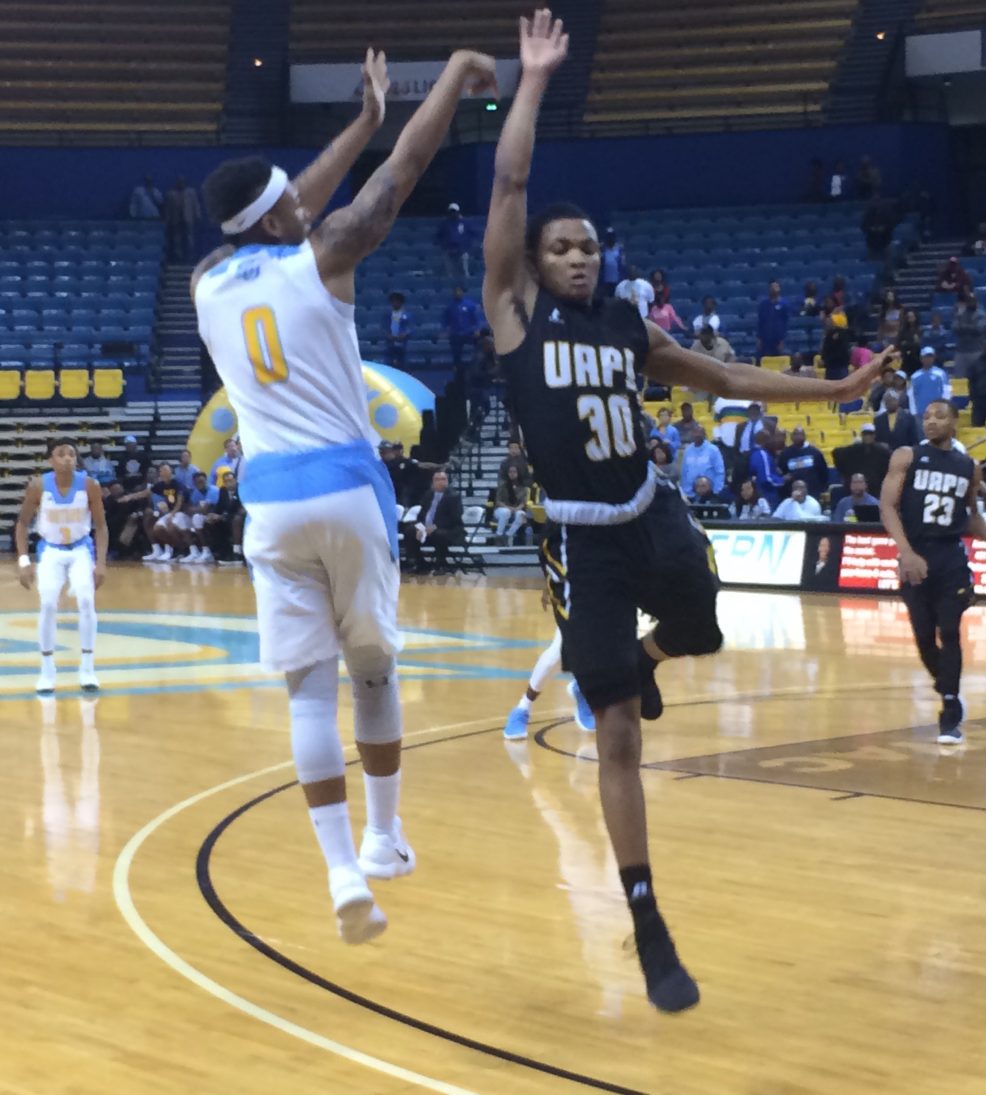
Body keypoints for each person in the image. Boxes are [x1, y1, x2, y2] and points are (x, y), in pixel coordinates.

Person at [480, 7, 890, 1016]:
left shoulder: (626, 325)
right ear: (533, 265)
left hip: (651, 510)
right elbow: (509, 185)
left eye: (589, 246)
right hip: (584, 538)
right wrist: (530, 81)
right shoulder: (513, 318)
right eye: (562, 247)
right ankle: (647, 916)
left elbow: (724, 374)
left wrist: (831, 393)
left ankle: (654, 663)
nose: (579, 256)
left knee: (702, 630)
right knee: (616, 732)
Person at [192, 46, 498, 943]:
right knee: (373, 672)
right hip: (349, 488)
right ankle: (384, 837)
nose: (306, 201)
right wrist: (441, 82)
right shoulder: (325, 258)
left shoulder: (209, 281)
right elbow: (397, 179)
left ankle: (336, 874)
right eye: (294, 199)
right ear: (284, 216)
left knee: (304, 695)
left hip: (270, 504)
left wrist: (357, 121)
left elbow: (287, 205)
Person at [881, 402, 986, 744]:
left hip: (950, 557)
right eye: (926, 417)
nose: (931, 422)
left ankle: (950, 709)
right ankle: (947, 682)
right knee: (924, 637)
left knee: (950, 631)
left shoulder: (969, 466)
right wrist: (905, 552)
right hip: (916, 556)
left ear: (955, 422)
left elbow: (970, 516)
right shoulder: (906, 456)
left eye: (939, 416)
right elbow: (887, 507)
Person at [14, 439, 107, 695]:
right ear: (51, 460)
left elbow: (101, 525)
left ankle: (87, 668)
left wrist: (100, 563)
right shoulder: (38, 486)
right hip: (51, 550)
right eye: (61, 454)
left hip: (80, 548)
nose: (67, 458)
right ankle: (47, 670)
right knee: (47, 604)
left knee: (87, 601)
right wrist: (24, 561)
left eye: (72, 454)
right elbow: (22, 524)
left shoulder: (90, 485)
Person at [503, 525, 596, 740]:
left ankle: (581, 687)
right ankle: (522, 708)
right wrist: (549, 585)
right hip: (572, 588)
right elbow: (546, 550)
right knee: (559, 650)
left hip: (604, 587)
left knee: (599, 647)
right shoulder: (561, 522)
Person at [403, 469, 465, 571]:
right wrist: (420, 528)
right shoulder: (428, 495)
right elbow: (421, 516)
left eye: (443, 479)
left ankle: (441, 563)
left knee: (438, 533)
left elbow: (454, 518)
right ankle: (419, 562)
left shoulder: (454, 496)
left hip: (450, 530)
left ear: (447, 481)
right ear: (433, 482)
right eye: (437, 479)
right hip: (427, 528)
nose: (440, 482)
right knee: (410, 531)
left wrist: (434, 526)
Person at [833, 424, 891, 497]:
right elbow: (836, 453)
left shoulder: (883, 451)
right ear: (862, 435)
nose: (868, 436)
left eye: (870, 434)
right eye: (865, 434)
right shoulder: (853, 449)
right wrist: (846, 475)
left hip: (876, 489)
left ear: (874, 435)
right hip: (857, 489)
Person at [777, 426, 829, 497]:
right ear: (791, 437)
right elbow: (781, 471)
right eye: (795, 434)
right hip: (791, 492)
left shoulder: (814, 452)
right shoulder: (785, 453)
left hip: (812, 491)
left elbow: (823, 471)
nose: (798, 437)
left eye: (800, 434)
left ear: (805, 437)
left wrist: (821, 487)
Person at [441, 285, 484, 367]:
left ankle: (477, 367)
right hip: (455, 334)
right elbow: (445, 321)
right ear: (453, 293)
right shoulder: (449, 307)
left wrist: (477, 329)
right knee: (456, 355)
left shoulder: (470, 305)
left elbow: (476, 319)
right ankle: (458, 371)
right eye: (455, 291)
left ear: (462, 292)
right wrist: (445, 331)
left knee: (479, 348)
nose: (457, 293)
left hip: (469, 333)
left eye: (459, 291)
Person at [436, 202, 477, 279]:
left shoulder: (465, 222)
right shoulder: (445, 223)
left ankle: (466, 281)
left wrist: (465, 247)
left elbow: (472, 234)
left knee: (464, 267)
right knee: (449, 270)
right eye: (451, 211)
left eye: (454, 211)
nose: (453, 213)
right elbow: (439, 236)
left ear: (458, 212)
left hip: (462, 250)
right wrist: (445, 247)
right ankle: (450, 282)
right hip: (449, 250)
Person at [911, 346, 951, 422]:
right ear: (921, 358)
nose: (928, 359)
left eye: (930, 356)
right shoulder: (915, 376)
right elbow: (911, 395)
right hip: (921, 413)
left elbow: (947, 392)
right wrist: (914, 412)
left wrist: (944, 408)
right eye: (925, 357)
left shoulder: (941, 374)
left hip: (938, 412)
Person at [757, 280, 790, 360]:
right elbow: (760, 322)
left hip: (778, 340)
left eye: (776, 287)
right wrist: (759, 338)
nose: (774, 289)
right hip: (765, 340)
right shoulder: (763, 304)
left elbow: (786, 323)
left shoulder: (784, 304)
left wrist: (782, 340)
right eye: (772, 287)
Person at [384, 291, 410, 367]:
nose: (395, 303)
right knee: (388, 364)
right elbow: (383, 327)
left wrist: (405, 334)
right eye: (393, 301)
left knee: (403, 364)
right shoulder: (387, 314)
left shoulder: (407, 314)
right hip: (390, 343)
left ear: (401, 302)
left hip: (403, 343)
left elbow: (410, 327)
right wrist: (387, 335)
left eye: (397, 301)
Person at [599, 228, 625, 296]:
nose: (610, 238)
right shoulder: (602, 248)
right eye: (608, 236)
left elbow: (623, 264)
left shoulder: (619, 248)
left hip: (617, 280)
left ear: (614, 237)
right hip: (605, 281)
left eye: (612, 236)